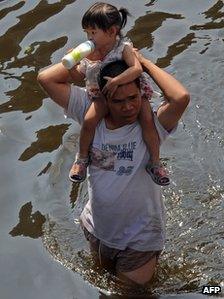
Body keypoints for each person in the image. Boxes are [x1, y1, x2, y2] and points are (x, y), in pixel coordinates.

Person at [37, 50, 190, 286]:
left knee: (128, 294)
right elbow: (47, 78)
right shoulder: (90, 115)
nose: (128, 107)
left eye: (133, 98)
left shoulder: (152, 127)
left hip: (140, 240)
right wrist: (93, 53)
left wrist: (143, 64)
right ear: (103, 100)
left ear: (142, 93)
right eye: (118, 101)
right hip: (96, 230)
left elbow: (180, 97)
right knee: (103, 286)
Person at [65, 2, 169, 186]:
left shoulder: (123, 48)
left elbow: (136, 69)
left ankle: (155, 162)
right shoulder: (89, 56)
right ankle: (81, 159)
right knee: (89, 122)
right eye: (87, 33)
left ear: (112, 32)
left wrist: (116, 81)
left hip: (130, 93)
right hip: (103, 96)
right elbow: (76, 77)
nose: (89, 37)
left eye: (93, 33)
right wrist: (72, 65)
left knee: (147, 121)